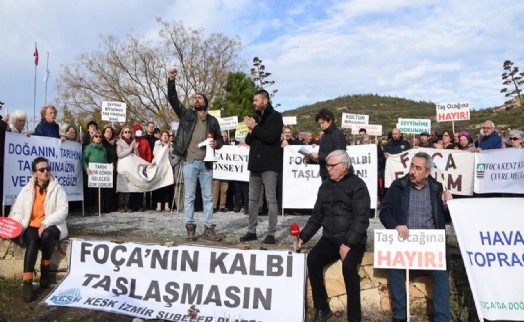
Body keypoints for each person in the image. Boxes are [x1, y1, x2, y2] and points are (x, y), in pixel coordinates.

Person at [379, 152, 452, 322]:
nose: (412, 171)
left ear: (427, 172)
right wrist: (396, 225)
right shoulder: (398, 186)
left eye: (418, 168)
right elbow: (385, 213)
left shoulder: (437, 188)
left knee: (441, 271)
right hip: (405, 241)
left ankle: (442, 318)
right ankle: (399, 315)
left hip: (430, 243)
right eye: (411, 166)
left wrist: (447, 205)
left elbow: (446, 219)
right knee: (394, 267)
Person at [298, 150, 370, 322]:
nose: (328, 169)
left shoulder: (358, 185)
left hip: (353, 241)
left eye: (332, 166)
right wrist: (302, 237)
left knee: (348, 269)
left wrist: (348, 243)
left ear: (344, 166)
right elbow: (316, 216)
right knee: (313, 260)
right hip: (330, 238)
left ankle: (354, 318)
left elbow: (361, 219)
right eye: (327, 165)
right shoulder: (325, 186)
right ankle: (322, 308)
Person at [167, 67, 224, 241]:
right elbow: (173, 99)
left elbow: (221, 140)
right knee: (189, 197)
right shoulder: (186, 115)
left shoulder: (212, 120)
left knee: (208, 198)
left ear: (205, 102)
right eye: (194, 98)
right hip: (190, 162)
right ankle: (190, 227)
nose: (196, 99)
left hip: (206, 165)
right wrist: (171, 81)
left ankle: (208, 228)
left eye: (199, 97)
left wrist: (217, 143)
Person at [9, 157, 68, 302]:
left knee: (47, 235)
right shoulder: (27, 189)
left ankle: (45, 270)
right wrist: (14, 226)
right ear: (34, 173)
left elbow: (63, 211)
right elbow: (18, 210)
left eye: (47, 168)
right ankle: (27, 283)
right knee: (33, 242)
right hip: (31, 225)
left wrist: (46, 222)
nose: (46, 172)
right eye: (42, 170)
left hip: (52, 224)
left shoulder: (57, 188)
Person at [239, 89, 283, 245]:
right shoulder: (256, 117)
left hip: (270, 165)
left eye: (256, 100)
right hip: (255, 165)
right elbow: (249, 141)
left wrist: (255, 127)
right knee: (252, 199)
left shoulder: (276, 117)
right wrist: (251, 130)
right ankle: (252, 231)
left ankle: (271, 233)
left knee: (271, 200)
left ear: (265, 101)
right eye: (253, 100)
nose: (254, 103)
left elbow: (271, 138)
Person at [306, 108, 347, 182]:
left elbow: (339, 156)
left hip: (336, 175)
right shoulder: (324, 136)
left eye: (323, 123)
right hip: (325, 174)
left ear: (330, 120)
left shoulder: (338, 134)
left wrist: (318, 155)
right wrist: (310, 159)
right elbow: (322, 158)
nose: (321, 126)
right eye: (320, 124)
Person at [82, 131, 108, 215]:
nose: (99, 138)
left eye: (100, 136)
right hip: (91, 172)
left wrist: (109, 166)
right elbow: (84, 159)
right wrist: (86, 167)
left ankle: (98, 208)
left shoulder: (104, 149)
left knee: (100, 192)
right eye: (96, 136)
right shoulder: (88, 147)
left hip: (101, 173)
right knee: (91, 192)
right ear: (92, 138)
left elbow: (105, 160)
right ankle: (90, 208)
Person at [153, 131, 174, 211]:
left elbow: (173, 155)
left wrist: (169, 148)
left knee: (167, 186)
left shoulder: (171, 145)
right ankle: (159, 204)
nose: (165, 137)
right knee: (159, 186)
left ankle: (166, 204)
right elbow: (155, 153)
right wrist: (163, 148)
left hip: (167, 168)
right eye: (163, 135)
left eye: (166, 135)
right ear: (161, 137)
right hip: (159, 168)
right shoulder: (157, 144)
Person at [116, 125, 135, 212]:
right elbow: (119, 155)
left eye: (129, 132)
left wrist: (134, 149)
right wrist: (130, 149)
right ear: (122, 133)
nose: (127, 134)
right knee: (122, 187)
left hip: (130, 167)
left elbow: (135, 155)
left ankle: (126, 205)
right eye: (125, 132)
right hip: (122, 167)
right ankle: (120, 206)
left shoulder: (133, 142)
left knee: (128, 187)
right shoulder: (120, 143)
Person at [101, 125, 118, 213]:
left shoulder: (114, 143)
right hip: (104, 167)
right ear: (103, 133)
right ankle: (102, 206)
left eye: (111, 132)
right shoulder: (102, 142)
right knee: (104, 189)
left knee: (110, 189)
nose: (109, 133)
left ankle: (108, 206)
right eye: (107, 131)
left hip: (113, 168)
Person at [212, 131, 230, 212]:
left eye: (224, 136)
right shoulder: (215, 146)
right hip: (217, 171)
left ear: (227, 137)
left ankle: (222, 206)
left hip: (225, 172)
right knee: (215, 189)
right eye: (221, 136)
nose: (223, 138)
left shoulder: (230, 146)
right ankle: (214, 206)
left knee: (224, 189)